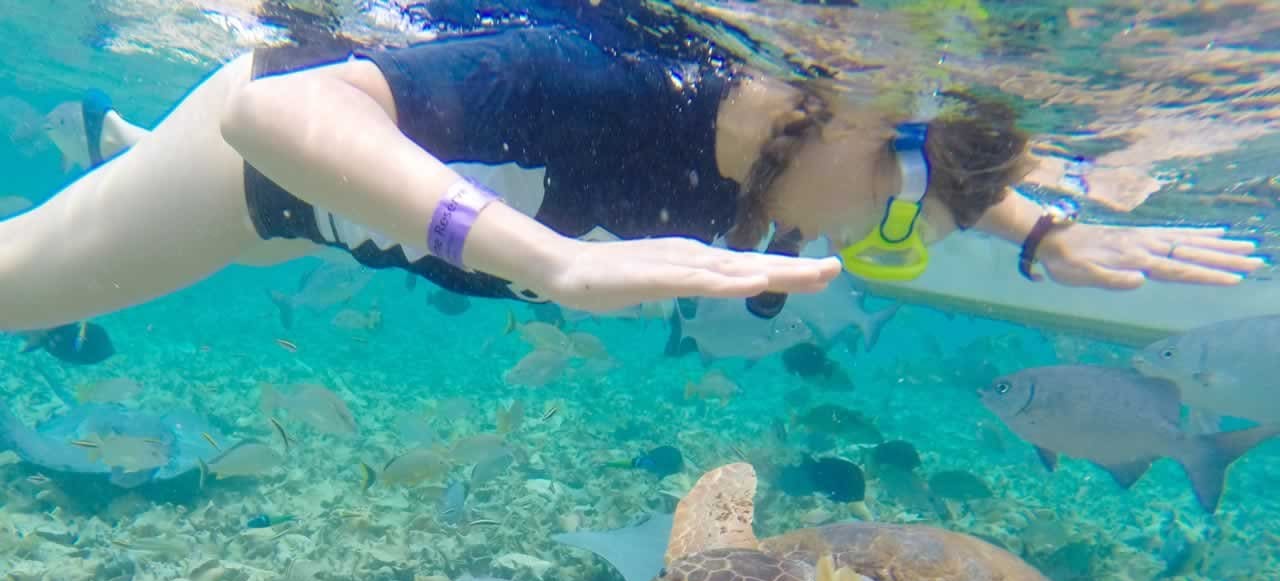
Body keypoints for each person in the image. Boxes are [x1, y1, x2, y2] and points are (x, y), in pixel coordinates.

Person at [0, 22, 1263, 336]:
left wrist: (1038, 234)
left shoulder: (831, 152)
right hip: (259, 174)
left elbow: (938, 156)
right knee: (22, 289)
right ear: (839, 125)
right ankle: (139, 167)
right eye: (900, 223)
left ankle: (123, 156)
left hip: (351, 225)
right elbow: (282, 113)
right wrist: (555, 262)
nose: (894, 245)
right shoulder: (597, 80)